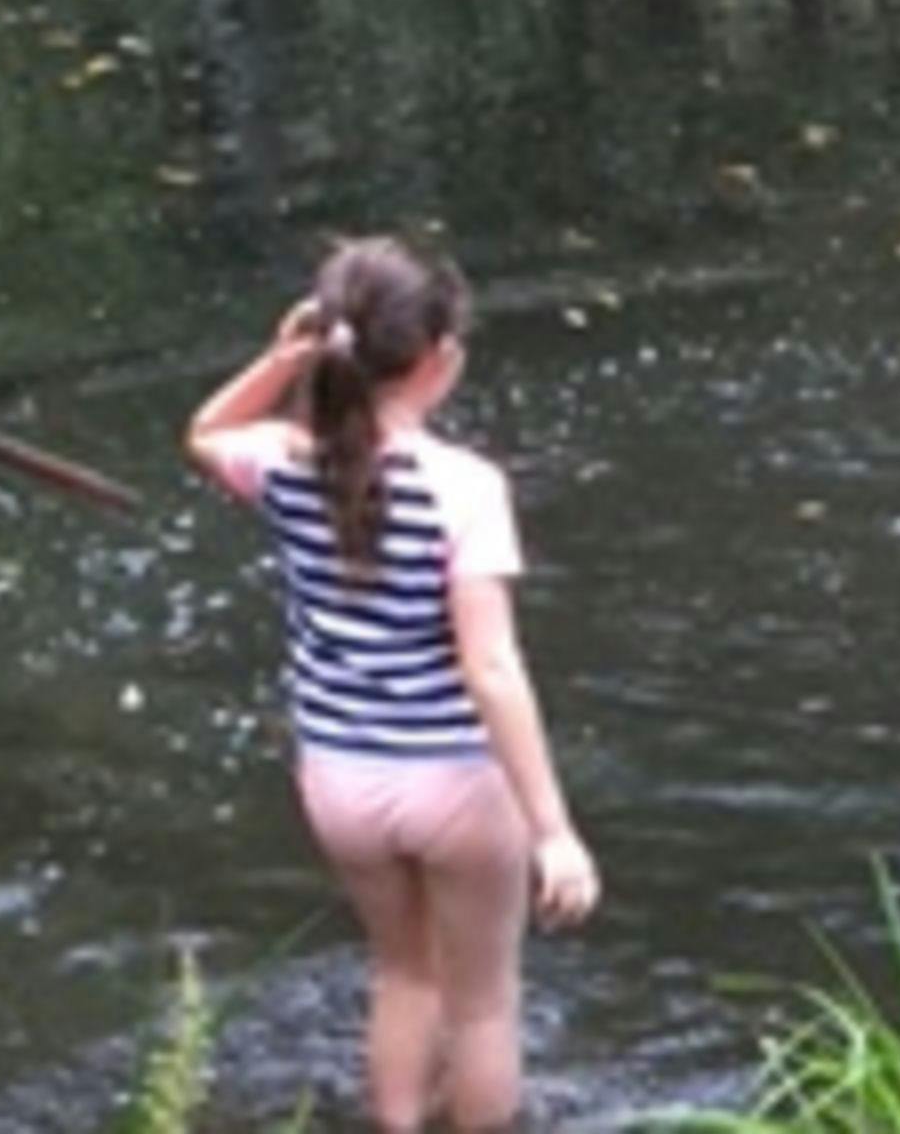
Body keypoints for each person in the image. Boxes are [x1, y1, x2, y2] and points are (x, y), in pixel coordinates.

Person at [183, 237, 597, 1134]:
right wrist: (553, 831)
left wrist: (280, 357)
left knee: (403, 973)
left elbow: (204, 433)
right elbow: (491, 667)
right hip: (451, 779)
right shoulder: (466, 490)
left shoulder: (286, 464)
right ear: (438, 359)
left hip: (338, 779)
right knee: (482, 1002)